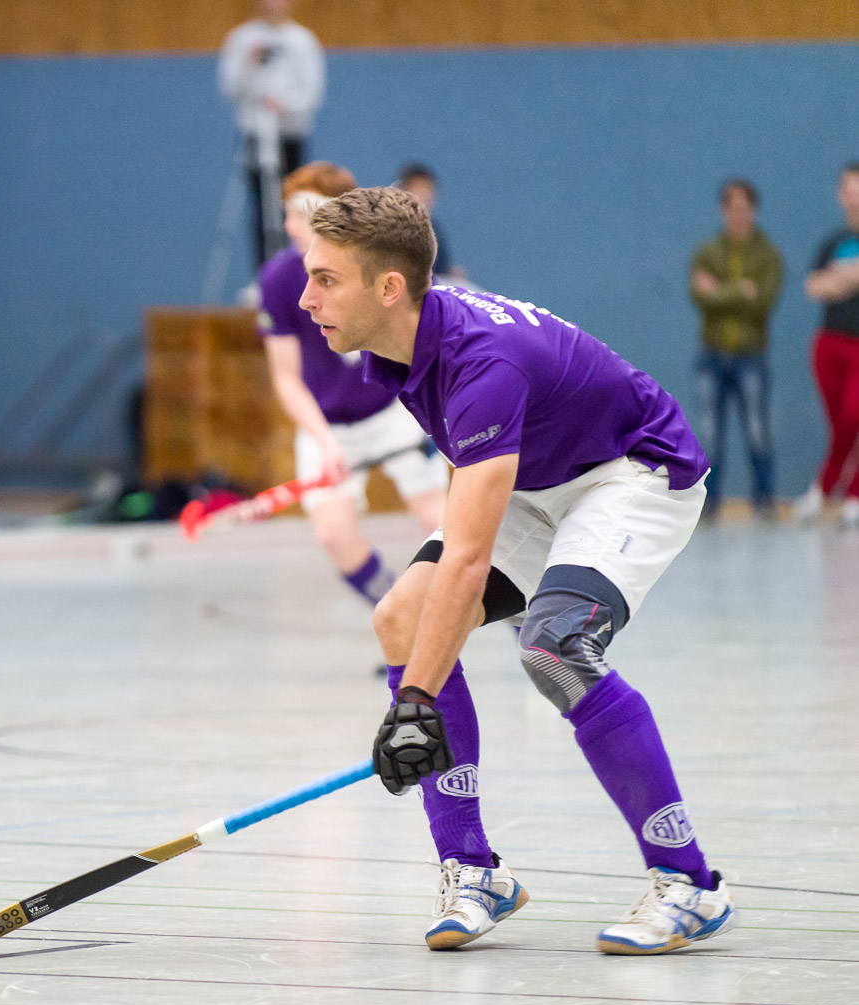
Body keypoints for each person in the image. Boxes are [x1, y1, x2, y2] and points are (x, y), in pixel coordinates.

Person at [298, 186, 736, 956]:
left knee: (554, 647)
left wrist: (414, 701)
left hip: (631, 472)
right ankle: (473, 872)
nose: (307, 299)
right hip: (539, 479)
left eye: (326, 279)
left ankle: (690, 881)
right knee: (402, 617)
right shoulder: (399, 342)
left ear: (389, 287)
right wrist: (416, 692)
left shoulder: (482, 367)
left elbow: (468, 560)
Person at [258, 161, 446, 613]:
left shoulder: (381, 267)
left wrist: (433, 412)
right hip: (328, 426)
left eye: (302, 214)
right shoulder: (280, 280)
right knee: (334, 536)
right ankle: (401, 617)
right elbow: (285, 378)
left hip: (395, 410)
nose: (290, 225)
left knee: (441, 521)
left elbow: (427, 343)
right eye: (288, 213)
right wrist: (325, 442)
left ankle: (522, 625)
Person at [688, 178, 782, 518]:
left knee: (757, 431)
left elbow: (763, 302)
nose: (739, 215)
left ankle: (765, 499)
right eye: (733, 208)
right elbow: (700, 297)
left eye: (745, 208)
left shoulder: (767, 255)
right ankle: (708, 502)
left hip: (751, 356)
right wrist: (740, 289)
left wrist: (720, 290)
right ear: (723, 211)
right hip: (711, 355)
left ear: (753, 211)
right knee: (709, 434)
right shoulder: (707, 252)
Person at [218, 0, 325, 270]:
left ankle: (296, 269)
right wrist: (250, 62)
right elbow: (229, 87)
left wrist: (286, 104)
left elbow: (312, 90)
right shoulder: (242, 38)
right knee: (261, 206)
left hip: (290, 134)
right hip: (255, 132)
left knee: (293, 202)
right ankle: (264, 274)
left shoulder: (303, 40)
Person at [799, 162, 859, 526]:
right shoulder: (834, 242)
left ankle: (834, 489)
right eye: (848, 187)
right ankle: (834, 492)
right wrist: (848, 278)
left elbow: (835, 282)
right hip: (830, 343)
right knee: (839, 424)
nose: (854, 194)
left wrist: (842, 278)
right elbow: (814, 286)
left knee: (855, 416)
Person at [398, 164, 467, 283]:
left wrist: (448, 274)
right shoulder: (393, 227)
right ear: (402, 191)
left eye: (428, 190)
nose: (424, 195)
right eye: (417, 188)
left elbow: (440, 266)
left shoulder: (434, 229)